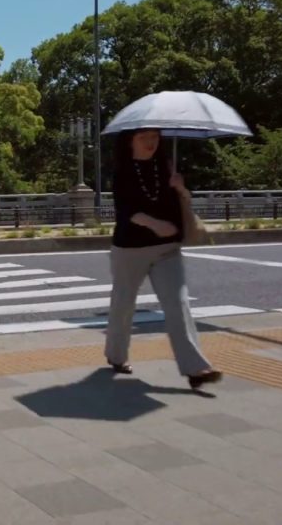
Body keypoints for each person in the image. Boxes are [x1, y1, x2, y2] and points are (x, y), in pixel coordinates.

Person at [105, 128, 223, 389]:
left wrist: (181, 188)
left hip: (168, 249)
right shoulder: (122, 172)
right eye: (144, 137)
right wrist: (154, 224)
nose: (151, 143)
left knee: (178, 304)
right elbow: (126, 211)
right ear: (130, 141)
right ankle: (116, 356)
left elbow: (184, 202)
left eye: (155, 137)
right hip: (130, 250)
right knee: (123, 304)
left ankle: (196, 368)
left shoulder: (166, 167)